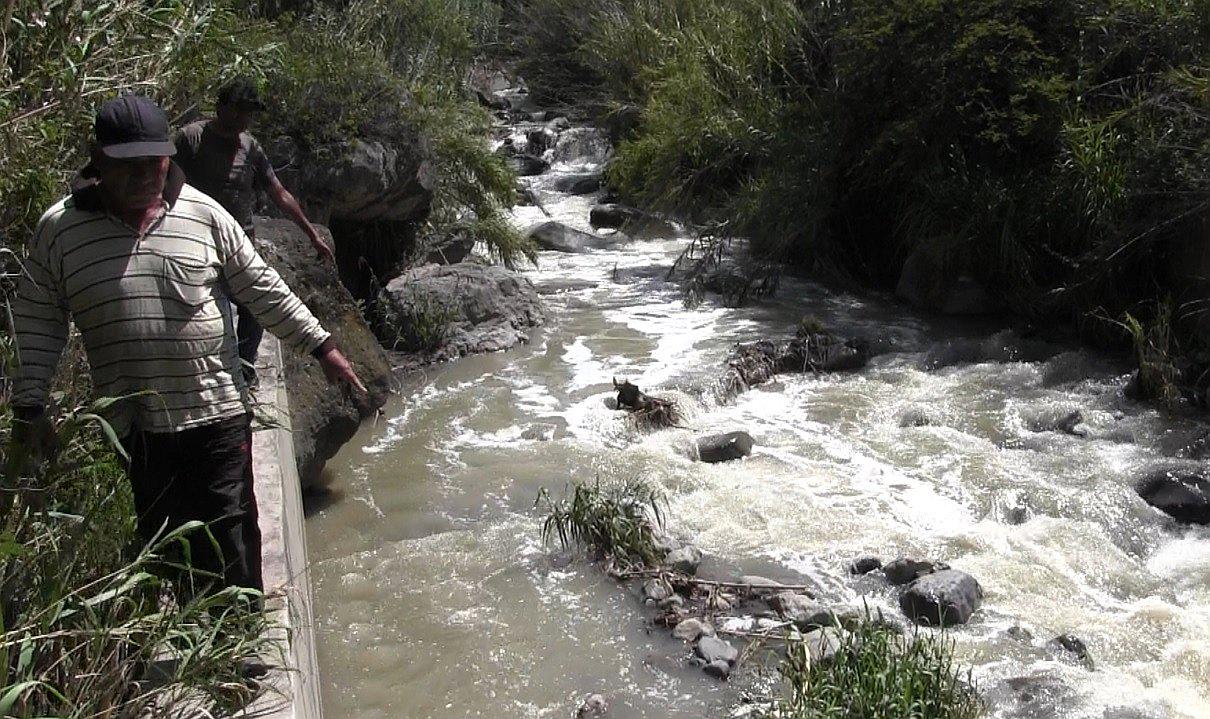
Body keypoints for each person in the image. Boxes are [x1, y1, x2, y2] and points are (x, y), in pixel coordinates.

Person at [7, 94, 366, 593]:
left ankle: (239, 646)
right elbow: (38, 317)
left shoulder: (203, 215)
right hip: (135, 424)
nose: (143, 176)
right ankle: (187, 637)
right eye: (126, 165)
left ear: (167, 157)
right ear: (97, 157)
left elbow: (259, 287)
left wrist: (322, 347)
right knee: (163, 533)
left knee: (231, 526)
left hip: (215, 410)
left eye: (153, 163)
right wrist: (30, 404)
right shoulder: (61, 231)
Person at [173, 78, 335, 384]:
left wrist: (311, 234)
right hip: (196, 239)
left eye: (248, 113)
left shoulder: (250, 147)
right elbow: (169, 187)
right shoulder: (190, 139)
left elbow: (279, 193)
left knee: (254, 308)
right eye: (237, 111)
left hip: (239, 242)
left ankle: (245, 372)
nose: (242, 119)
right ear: (220, 108)